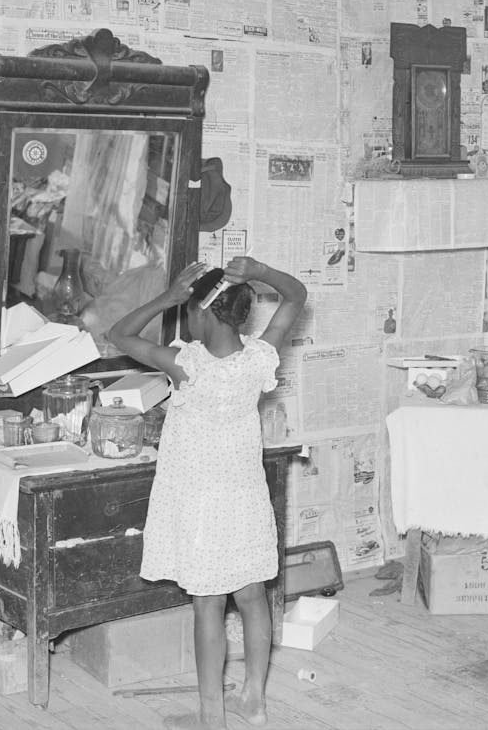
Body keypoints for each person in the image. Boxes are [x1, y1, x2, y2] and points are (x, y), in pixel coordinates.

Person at [107, 257, 307, 730]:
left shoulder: (185, 364)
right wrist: (259, 269)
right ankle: (254, 701)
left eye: (191, 310)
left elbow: (119, 335)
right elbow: (295, 295)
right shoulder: (261, 358)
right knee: (253, 597)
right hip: (245, 498)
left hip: (198, 505)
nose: (187, 318)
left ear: (206, 313)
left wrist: (165, 298)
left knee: (208, 606)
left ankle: (211, 713)